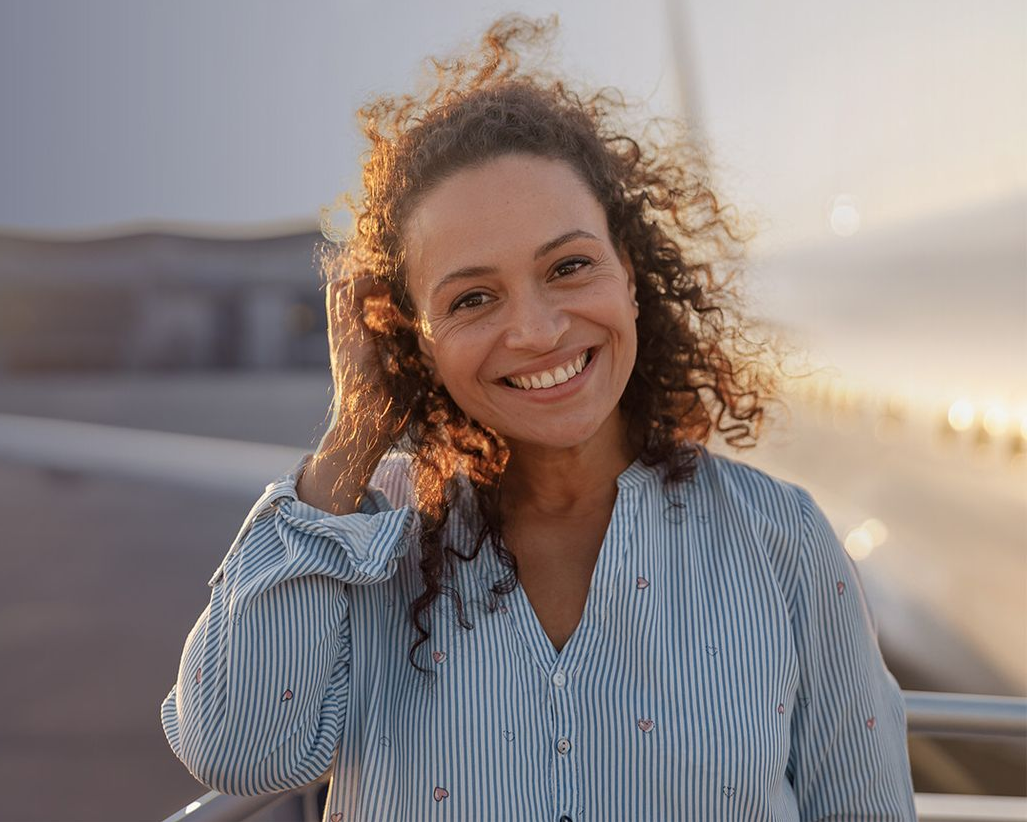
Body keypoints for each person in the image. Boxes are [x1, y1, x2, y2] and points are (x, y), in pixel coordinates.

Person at [160, 15, 917, 821]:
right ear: (410, 336)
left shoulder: (781, 539)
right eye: (471, 298)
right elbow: (238, 750)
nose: (537, 331)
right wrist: (350, 441)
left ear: (630, 276)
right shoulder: (361, 538)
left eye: (568, 266)